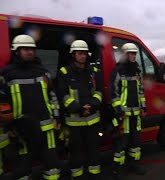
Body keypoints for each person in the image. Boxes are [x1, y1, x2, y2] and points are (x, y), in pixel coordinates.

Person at [0, 34, 61, 179]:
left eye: (32, 49)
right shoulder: (6, 74)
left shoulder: (43, 72)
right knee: (22, 169)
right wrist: (9, 127)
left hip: (46, 128)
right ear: (16, 51)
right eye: (25, 49)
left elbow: (52, 96)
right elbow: (2, 103)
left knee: (52, 166)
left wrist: (57, 117)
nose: (30, 52)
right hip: (21, 131)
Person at [56, 40, 103, 180]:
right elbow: (62, 95)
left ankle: (94, 176)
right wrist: (78, 108)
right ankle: (77, 177)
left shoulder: (93, 72)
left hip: (92, 120)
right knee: (76, 153)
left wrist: (93, 105)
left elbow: (99, 91)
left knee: (93, 151)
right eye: (80, 53)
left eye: (85, 53)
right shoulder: (64, 72)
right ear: (73, 55)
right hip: (74, 122)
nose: (83, 56)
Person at [110, 43, 147, 180]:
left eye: (134, 53)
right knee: (122, 144)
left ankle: (134, 164)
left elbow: (141, 91)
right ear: (125, 54)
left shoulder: (137, 71)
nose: (133, 56)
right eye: (131, 53)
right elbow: (113, 93)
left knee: (136, 142)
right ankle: (117, 169)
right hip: (124, 115)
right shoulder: (118, 71)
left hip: (136, 114)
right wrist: (119, 111)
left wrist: (143, 107)